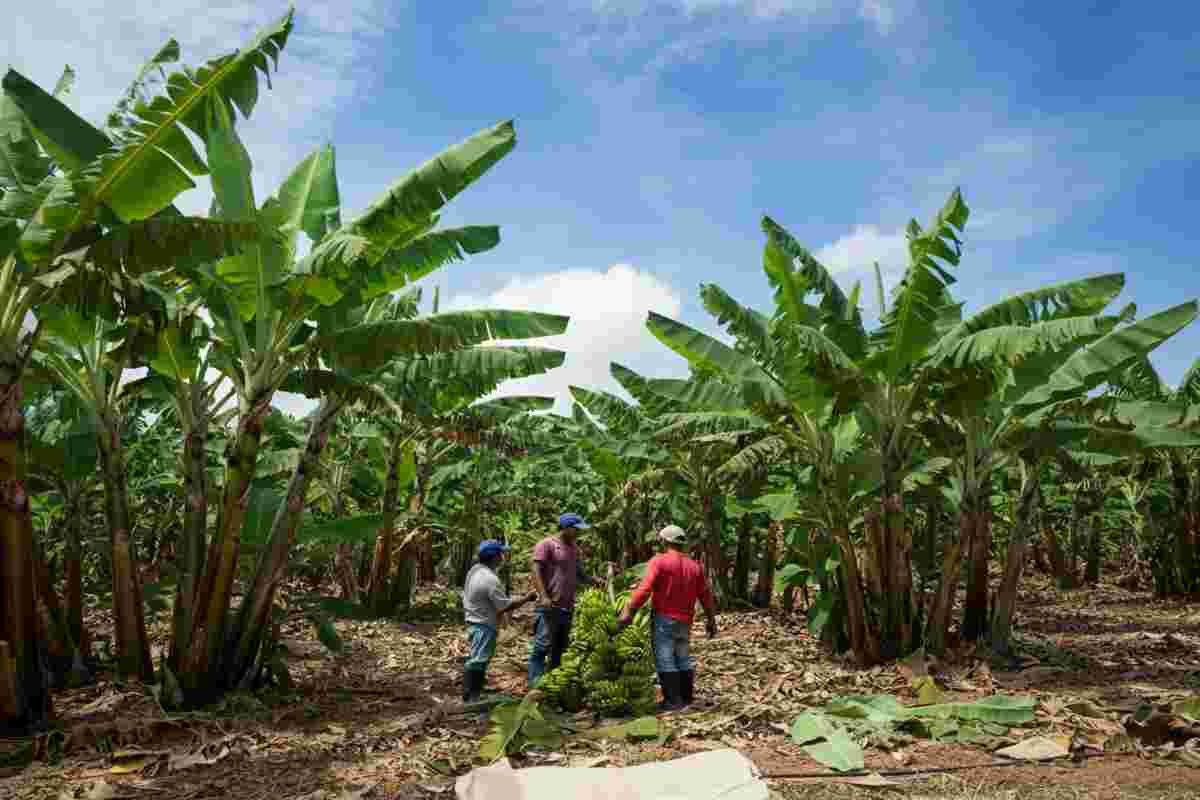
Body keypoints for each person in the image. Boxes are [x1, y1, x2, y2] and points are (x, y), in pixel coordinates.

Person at [617, 524, 717, 711]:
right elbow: (705, 595)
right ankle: (686, 698)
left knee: (665, 658)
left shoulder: (659, 561)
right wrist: (711, 620)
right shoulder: (695, 566)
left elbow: (645, 589)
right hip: (685, 620)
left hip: (664, 617)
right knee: (683, 657)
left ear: (664, 541)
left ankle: (672, 701)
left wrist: (629, 609)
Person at [528, 512, 603, 687]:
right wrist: (544, 596)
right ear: (566, 528)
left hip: (567, 607)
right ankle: (534, 686)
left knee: (560, 649)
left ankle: (553, 685)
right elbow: (536, 569)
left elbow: (579, 574)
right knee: (542, 647)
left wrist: (593, 580)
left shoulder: (574, 549)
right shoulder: (547, 545)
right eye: (576, 529)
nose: (579, 533)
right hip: (549, 606)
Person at [462, 539, 537, 703]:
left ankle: (473, 693)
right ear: (495, 557)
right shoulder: (489, 579)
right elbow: (504, 606)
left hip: (475, 619)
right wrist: (527, 598)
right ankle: (471, 695)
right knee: (479, 660)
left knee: (478, 657)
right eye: (501, 554)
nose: (503, 557)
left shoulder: (474, 570)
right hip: (484, 624)